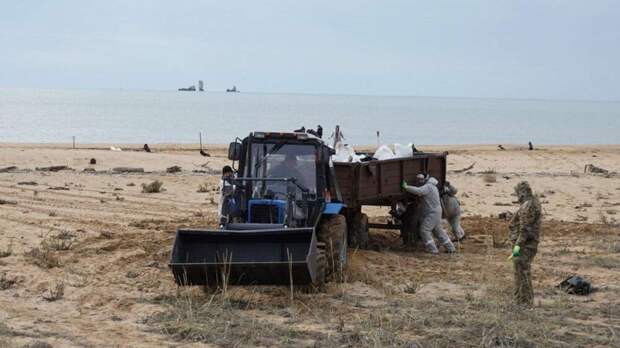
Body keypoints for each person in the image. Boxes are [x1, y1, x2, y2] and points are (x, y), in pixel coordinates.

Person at [402, 175, 456, 254]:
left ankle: (433, 250)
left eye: (420, 179)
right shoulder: (432, 186)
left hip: (432, 212)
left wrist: (407, 187)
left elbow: (419, 191)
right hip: (435, 212)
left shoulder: (428, 187)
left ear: (425, 179)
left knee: (424, 230)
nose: (419, 181)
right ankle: (451, 248)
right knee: (438, 231)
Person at [508, 181, 541, 306]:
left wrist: (516, 249)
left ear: (522, 193)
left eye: (518, 194)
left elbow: (524, 230)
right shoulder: (534, 203)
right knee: (523, 272)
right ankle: (523, 301)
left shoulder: (527, 206)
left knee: (521, 273)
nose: (517, 197)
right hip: (528, 244)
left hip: (524, 246)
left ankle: (523, 302)